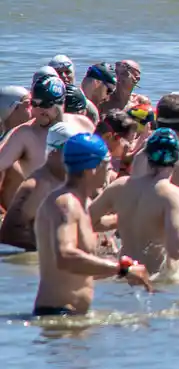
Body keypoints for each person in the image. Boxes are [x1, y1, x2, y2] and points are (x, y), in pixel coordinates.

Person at [34, 133, 153, 315]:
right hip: (57, 316)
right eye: (107, 164)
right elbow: (65, 257)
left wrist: (121, 268)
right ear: (92, 168)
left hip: (71, 319)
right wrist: (121, 269)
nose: (110, 169)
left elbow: (77, 271)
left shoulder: (82, 204)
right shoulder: (66, 204)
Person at [91, 128, 179, 276]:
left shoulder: (120, 186)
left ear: (146, 155)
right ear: (177, 158)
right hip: (152, 281)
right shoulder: (174, 196)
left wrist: (121, 220)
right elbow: (176, 250)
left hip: (122, 276)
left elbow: (86, 221)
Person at [1, 122, 78, 251]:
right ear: (53, 151)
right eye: (71, 151)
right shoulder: (40, 185)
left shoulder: (60, 180)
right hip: (24, 260)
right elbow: (16, 228)